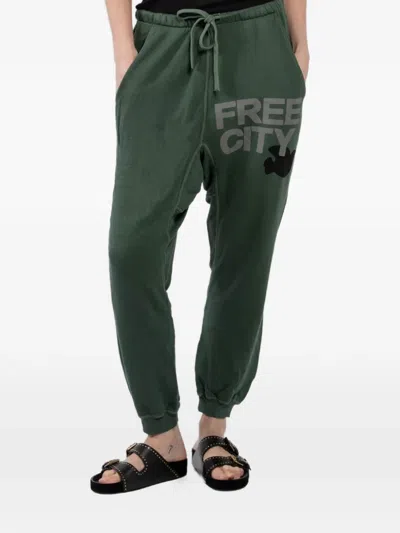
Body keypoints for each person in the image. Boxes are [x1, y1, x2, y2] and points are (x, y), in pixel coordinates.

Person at [90, 0, 309, 494]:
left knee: (245, 248)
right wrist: (124, 52)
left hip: (259, 50)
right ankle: (162, 436)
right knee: (131, 249)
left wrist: (299, 49)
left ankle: (215, 426)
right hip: (161, 50)